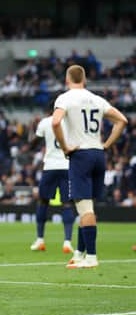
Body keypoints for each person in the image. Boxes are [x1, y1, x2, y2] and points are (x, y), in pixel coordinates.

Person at [52, 65, 127, 268]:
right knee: (87, 208)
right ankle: (79, 253)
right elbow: (122, 120)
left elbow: (56, 123)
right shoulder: (97, 99)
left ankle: (91, 257)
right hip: (98, 154)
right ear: (84, 80)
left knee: (85, 209)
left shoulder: (65, 98)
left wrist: (66, 147)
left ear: (68, 80)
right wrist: (107, 145)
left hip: (81, 155)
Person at [31, 109, 75, 253]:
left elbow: (32, 144)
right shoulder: (70, 122)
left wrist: (33, 130)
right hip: (67, 166)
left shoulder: (45, 122)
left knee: (43, 201)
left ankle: (40, 240)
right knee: (67, 204)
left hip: (50, 166)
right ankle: (67, 242)